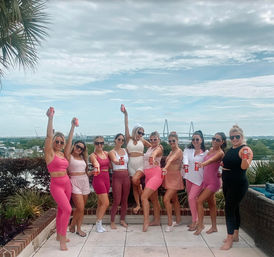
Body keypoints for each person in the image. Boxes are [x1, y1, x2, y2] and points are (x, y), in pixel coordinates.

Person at [221, 125, 253, 250]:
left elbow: (244, 167)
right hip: (227, 183)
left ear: (242, 137)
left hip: (238, 184)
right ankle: (235, 235)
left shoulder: (245, 149)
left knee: (229, 209)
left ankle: (229, 239)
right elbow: (227, 163)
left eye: (237, 137)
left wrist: (245, 156)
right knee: (234, 209)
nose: (234, 139)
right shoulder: (231, 149)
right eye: (232, 137)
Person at [44, 107, 71, 251]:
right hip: (57, 185)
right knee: (67, 209)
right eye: (57, 141)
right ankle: (62, 238)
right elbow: (48, 137)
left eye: (61, 142)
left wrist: (73, 127)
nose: (59, 144)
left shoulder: (62, 154)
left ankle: (59, 235)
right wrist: (50, 118)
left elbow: (70, 141)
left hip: (67, 183)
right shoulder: (50, 153)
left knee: (62, 210)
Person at [194, 132, 227, 235]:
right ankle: (214, 227)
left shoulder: (220, 153)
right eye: (213, 139)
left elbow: (211, 160)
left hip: (213, 182)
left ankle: (200, 225)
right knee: (212, 204)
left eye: (217, 140)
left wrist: (202, 164)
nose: (214, 141)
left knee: (199, 201)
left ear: (222, 142)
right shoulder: (210, 150)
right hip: (206, 181)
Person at [121, 105, 151, 214]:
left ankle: (143, 196)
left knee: (135, 180)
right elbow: (126, 125)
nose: (141, 134)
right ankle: (139, 204)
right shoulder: (128, 138)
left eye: (142, 133)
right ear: (135, 131)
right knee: (135, 186)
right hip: (130, 165)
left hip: (140, 163)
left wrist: (160, 148)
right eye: (139, 132)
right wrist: (126, 114)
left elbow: (153, 145)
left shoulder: (142, 140)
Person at [64, 118, 90, 237]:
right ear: (74, 145)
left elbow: (85, 171)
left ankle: (74, 225)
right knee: (80, 207)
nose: (79, 149)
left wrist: (92, 173)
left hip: (85, 181)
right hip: (74, 182)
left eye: (81, 148)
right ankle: (78, 228)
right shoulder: (69, 156)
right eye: (77, 146)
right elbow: (68, 142)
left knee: (81, 209)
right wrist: (72, 127)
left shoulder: (83, 158)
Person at [183, 130, 208, 231]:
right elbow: (185, 158)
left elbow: (212, 163)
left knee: (191, 198)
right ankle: (198, 220)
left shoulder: (206, 153)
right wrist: (185, 164)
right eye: (193, 139)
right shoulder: (188, 150)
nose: (195, 141)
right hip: (188, 177)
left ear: (201, 140)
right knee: (193, 200)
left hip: (199, 180)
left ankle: (195, 221)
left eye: (197, 139)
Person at [141, 131, 163, 232]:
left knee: (144, 197)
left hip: (156, 174)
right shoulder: (150, 147)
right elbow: (141, 139)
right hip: (148, 175)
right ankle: (157, 220)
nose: (153, 141)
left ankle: (146, 221)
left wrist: (152, 157)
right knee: (154, 199)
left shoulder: (159, 148)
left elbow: (154, 154)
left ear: (159, 140)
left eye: (155, 139)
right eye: (151, 139)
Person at [162, 132, 184, 232]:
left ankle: (170, 223)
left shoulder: (178, 151)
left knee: (166, 199)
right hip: (169, 177)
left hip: (175, 177)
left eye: (173, 141)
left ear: (177, 141)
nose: (171, 143)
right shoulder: (171, 151)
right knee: (174, 199)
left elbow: (170, 161)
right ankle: (178, 220)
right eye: (170, 141)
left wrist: (165, 168)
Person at [109, 133, 130, 229]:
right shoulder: (112, 152)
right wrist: (117, 161)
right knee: (117, 200)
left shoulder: (125, 150)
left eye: (122, 140)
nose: (121, 141)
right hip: (117, 176)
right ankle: (112, 221)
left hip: (126, 175)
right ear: (115, 140)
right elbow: (113, 159)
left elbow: (136, 154)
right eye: (119, 139)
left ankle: (122, 219)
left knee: (125, 199)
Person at [89, 136, 110, 233]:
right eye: (97, 143)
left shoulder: (106, 153)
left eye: (101, 143)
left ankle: (99, 224)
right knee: (106, 203)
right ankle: (98, 223)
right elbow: (95, 163)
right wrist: (97, 166)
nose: (99, 145)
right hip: (98, 179)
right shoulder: (93, 155)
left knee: (100, 203)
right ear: (94, 144)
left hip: (106, 179)